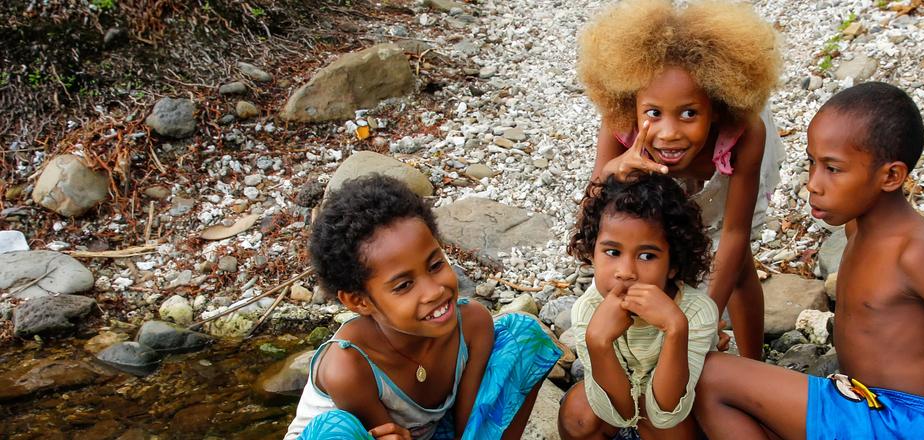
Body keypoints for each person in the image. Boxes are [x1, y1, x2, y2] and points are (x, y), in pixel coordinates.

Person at [693, 82, 924, 440]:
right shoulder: (858, 227)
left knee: (709, 378)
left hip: (890, 422)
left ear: (891, 176)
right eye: (812, 162)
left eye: (833, 169)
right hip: (867, 404)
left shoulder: (917, 251)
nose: (812, 184)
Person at [577, 0, 784, 360]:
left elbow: (735, 232)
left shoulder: (746, 132)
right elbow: (593, 207)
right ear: (631, 105)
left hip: (727, 171)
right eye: (653, 113)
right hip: (660, 174)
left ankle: (755, 360)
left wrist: (704, 320)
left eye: (689, 113)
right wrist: (614, 169)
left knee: (738, 264)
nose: (669, 133)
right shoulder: (620, 123)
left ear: (717, 106)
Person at [285, 175, 561, 440]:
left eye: (436, 265)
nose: (435, 291)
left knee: (523, 336)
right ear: (360, 301)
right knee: (337, 431)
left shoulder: (472, 324)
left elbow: (471, 429)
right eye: (404, 285)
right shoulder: (349, 367)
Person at [559, 173, 719, 439]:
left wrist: (675, 328)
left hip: (673, 416)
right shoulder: (588, 309)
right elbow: (617, 414)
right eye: (612, 252)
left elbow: (666, 413)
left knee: (667, 430)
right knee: (576, 413)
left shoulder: (695, 311)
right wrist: (598, 342)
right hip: (618, 403)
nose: (626, 272)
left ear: (673, 265)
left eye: (647, 256)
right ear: (592, 251)